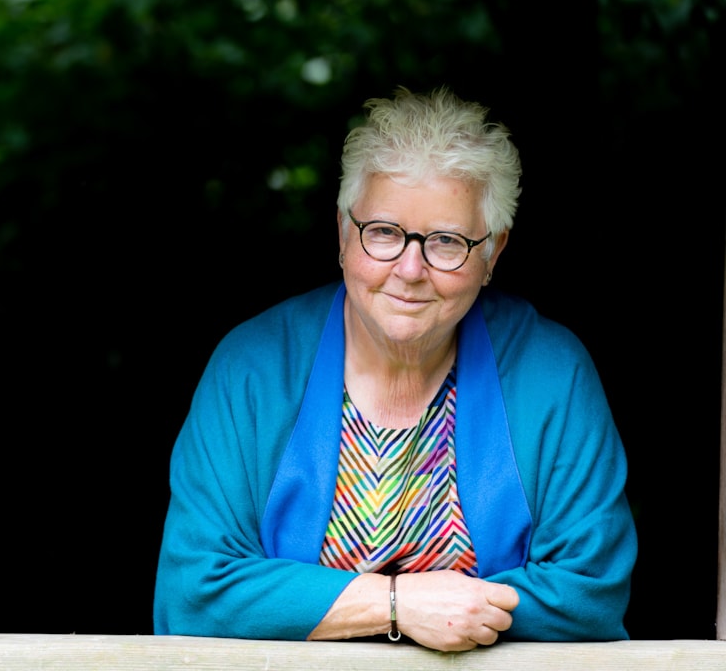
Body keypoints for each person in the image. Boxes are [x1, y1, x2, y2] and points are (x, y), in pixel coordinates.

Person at [153, 87, 636, 651]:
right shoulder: (253, 369)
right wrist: (397, 607)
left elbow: (589, 593)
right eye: (383, 232)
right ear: (341, 231)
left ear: (493, 252)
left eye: (447, 241)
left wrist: (309, 605)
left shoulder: (552, 374)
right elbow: (194, 591)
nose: (409, 269)